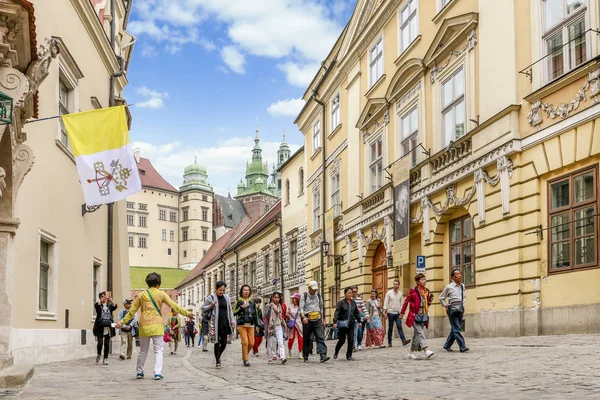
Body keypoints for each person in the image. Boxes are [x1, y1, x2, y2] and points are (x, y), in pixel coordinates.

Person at [116, 272, 193, 380]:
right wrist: (187, 313)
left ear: (148, 283)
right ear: (158, 284)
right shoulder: (161, 294)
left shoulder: (142, 295)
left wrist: (121, 322)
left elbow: (132, 311)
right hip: (157, 325)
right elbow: (173, 305)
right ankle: (157, 372)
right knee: (158, 350)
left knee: (143, 350)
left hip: (144, 325)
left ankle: (139, 371)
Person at [201, 281, 235, 369]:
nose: (222, 292)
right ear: (216, 289)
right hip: (215, 322)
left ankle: (218, 355)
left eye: (223, 290)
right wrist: (211, 305)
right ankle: (217, 361)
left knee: (224, 342)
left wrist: (233, 321)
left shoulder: (227, 297)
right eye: (220, 290)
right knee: (217, 342)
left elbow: (230, 310)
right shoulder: (211, 297)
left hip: (225, 321)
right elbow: (203, 308)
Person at [401, 273, 434, 360]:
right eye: (422, 280)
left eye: (425, 279)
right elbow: (406, 302)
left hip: (423, 314)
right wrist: (402, 313)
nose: (424, 281)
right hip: (414, 315)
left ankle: (411, 352)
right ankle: (426, 350)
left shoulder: (426, 291)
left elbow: (426, 303)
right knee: (420, 332)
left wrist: (430, 301)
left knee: (416, 335)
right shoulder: (413, 291)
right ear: (417, 282)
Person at [440, 268, 469, 353]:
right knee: (456, 328)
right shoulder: (449, 287)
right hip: (452, 309)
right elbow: (441, 297)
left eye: (460, 273)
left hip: (460, 309)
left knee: (454, 328)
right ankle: (462, 346)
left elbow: (463, 297)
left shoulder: (462, 286)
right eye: (457, 274)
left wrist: (463, 306)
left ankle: (447, 345)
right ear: (453, 277)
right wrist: (445, 305)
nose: (459, 275)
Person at [299, 281, 329, 363]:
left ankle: (323, 355)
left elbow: (321, 307)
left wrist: (323, 319)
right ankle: (306, 356)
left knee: (320, 337)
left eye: (315, 289)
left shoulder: (319, 295)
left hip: (317, 318)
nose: (314, 291)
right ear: (309, 288)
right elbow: (301, 308)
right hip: (307, 319)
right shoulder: (304, 295)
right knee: (308, 339)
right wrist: (303, 317)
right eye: (313, 289)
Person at [333, 287, 362, 361]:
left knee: (351, 339)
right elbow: (337, 313)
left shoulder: (353, 302)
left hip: (351, 324)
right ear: (345, 294)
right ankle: (336, 352)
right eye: (348, 293)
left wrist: (359, 321)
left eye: (351, 293)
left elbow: (356, 312)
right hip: (343, 324)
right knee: (342, 340)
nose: (350, 294)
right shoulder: (341, 303)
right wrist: (335, 322)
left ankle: (349, 355)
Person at [233, 284, 257, 367]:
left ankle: (244, 355)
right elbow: (234, 313)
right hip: (242, 324)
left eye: (248, 290)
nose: (246, 291)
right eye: (245, 290)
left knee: (251, 343)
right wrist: (241, 308)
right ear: (242, 291)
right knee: (245, 342)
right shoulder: (238, 302)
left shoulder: (252, 302)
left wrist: (257, 325)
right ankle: (246, 360)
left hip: (251, 324)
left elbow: (255, 314)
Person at [383, 279, 411, 347]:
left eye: (396, 284)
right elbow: (386, 302)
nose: (395, 285)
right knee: (390, 328)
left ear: (398, 285)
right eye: (394, 284)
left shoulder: (400, 294)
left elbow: (401, 304)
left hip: (397, 313)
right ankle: (389, 342)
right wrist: (385, 312)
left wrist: (402, 313)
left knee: (399, 326)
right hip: (390, 312)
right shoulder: (389, 293)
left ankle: (403, 340)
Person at [93, 291, 117, 365]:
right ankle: (99, 354)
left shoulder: (109, 305)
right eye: (102, 296)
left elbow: (115, 306)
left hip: (108, 326)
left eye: (105, 296)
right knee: (100, 343)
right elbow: (96, 305)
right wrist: (101, 301)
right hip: (100, 326)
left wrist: (111, 301)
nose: (104, 298)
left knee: (107, 343)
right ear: (100, 297)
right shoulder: (98, 305)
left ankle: (105, 358)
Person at [265, 292, 288, 364]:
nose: (276, 299)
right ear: (272, 298)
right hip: (271, 326)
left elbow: (281, 316)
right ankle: (269, 358)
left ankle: (283, 357)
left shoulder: (280, 306)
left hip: (278, 325)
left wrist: (284, 323)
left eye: (278, 297)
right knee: (270, 343)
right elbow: (266, 315)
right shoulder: (268, 305)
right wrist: (270, 309)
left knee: (280, 342)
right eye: (275, 297)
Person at [351, 287, 369, 351]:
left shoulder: (359, 300)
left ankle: (358, 344)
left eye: (355, 292)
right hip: (352, 319)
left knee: (360, 332)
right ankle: (353, 345)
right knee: (353, 333)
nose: (353, 293)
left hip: (359, 319)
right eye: (352, 292)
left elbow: (364, 308)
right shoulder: (349, 300)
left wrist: (366, 314)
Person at [286, 293, 303, 359]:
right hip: (292, 324)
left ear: (297, 299)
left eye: (294, 298)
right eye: (292, 298)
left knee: (300, 339)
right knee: (291, 339)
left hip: (299, 324)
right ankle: (289, 351)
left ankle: (300, 353)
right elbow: (287, 315)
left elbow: (302, 315)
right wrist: (288, 314)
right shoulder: (290, 307)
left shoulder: (300, 307)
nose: (293, 299)